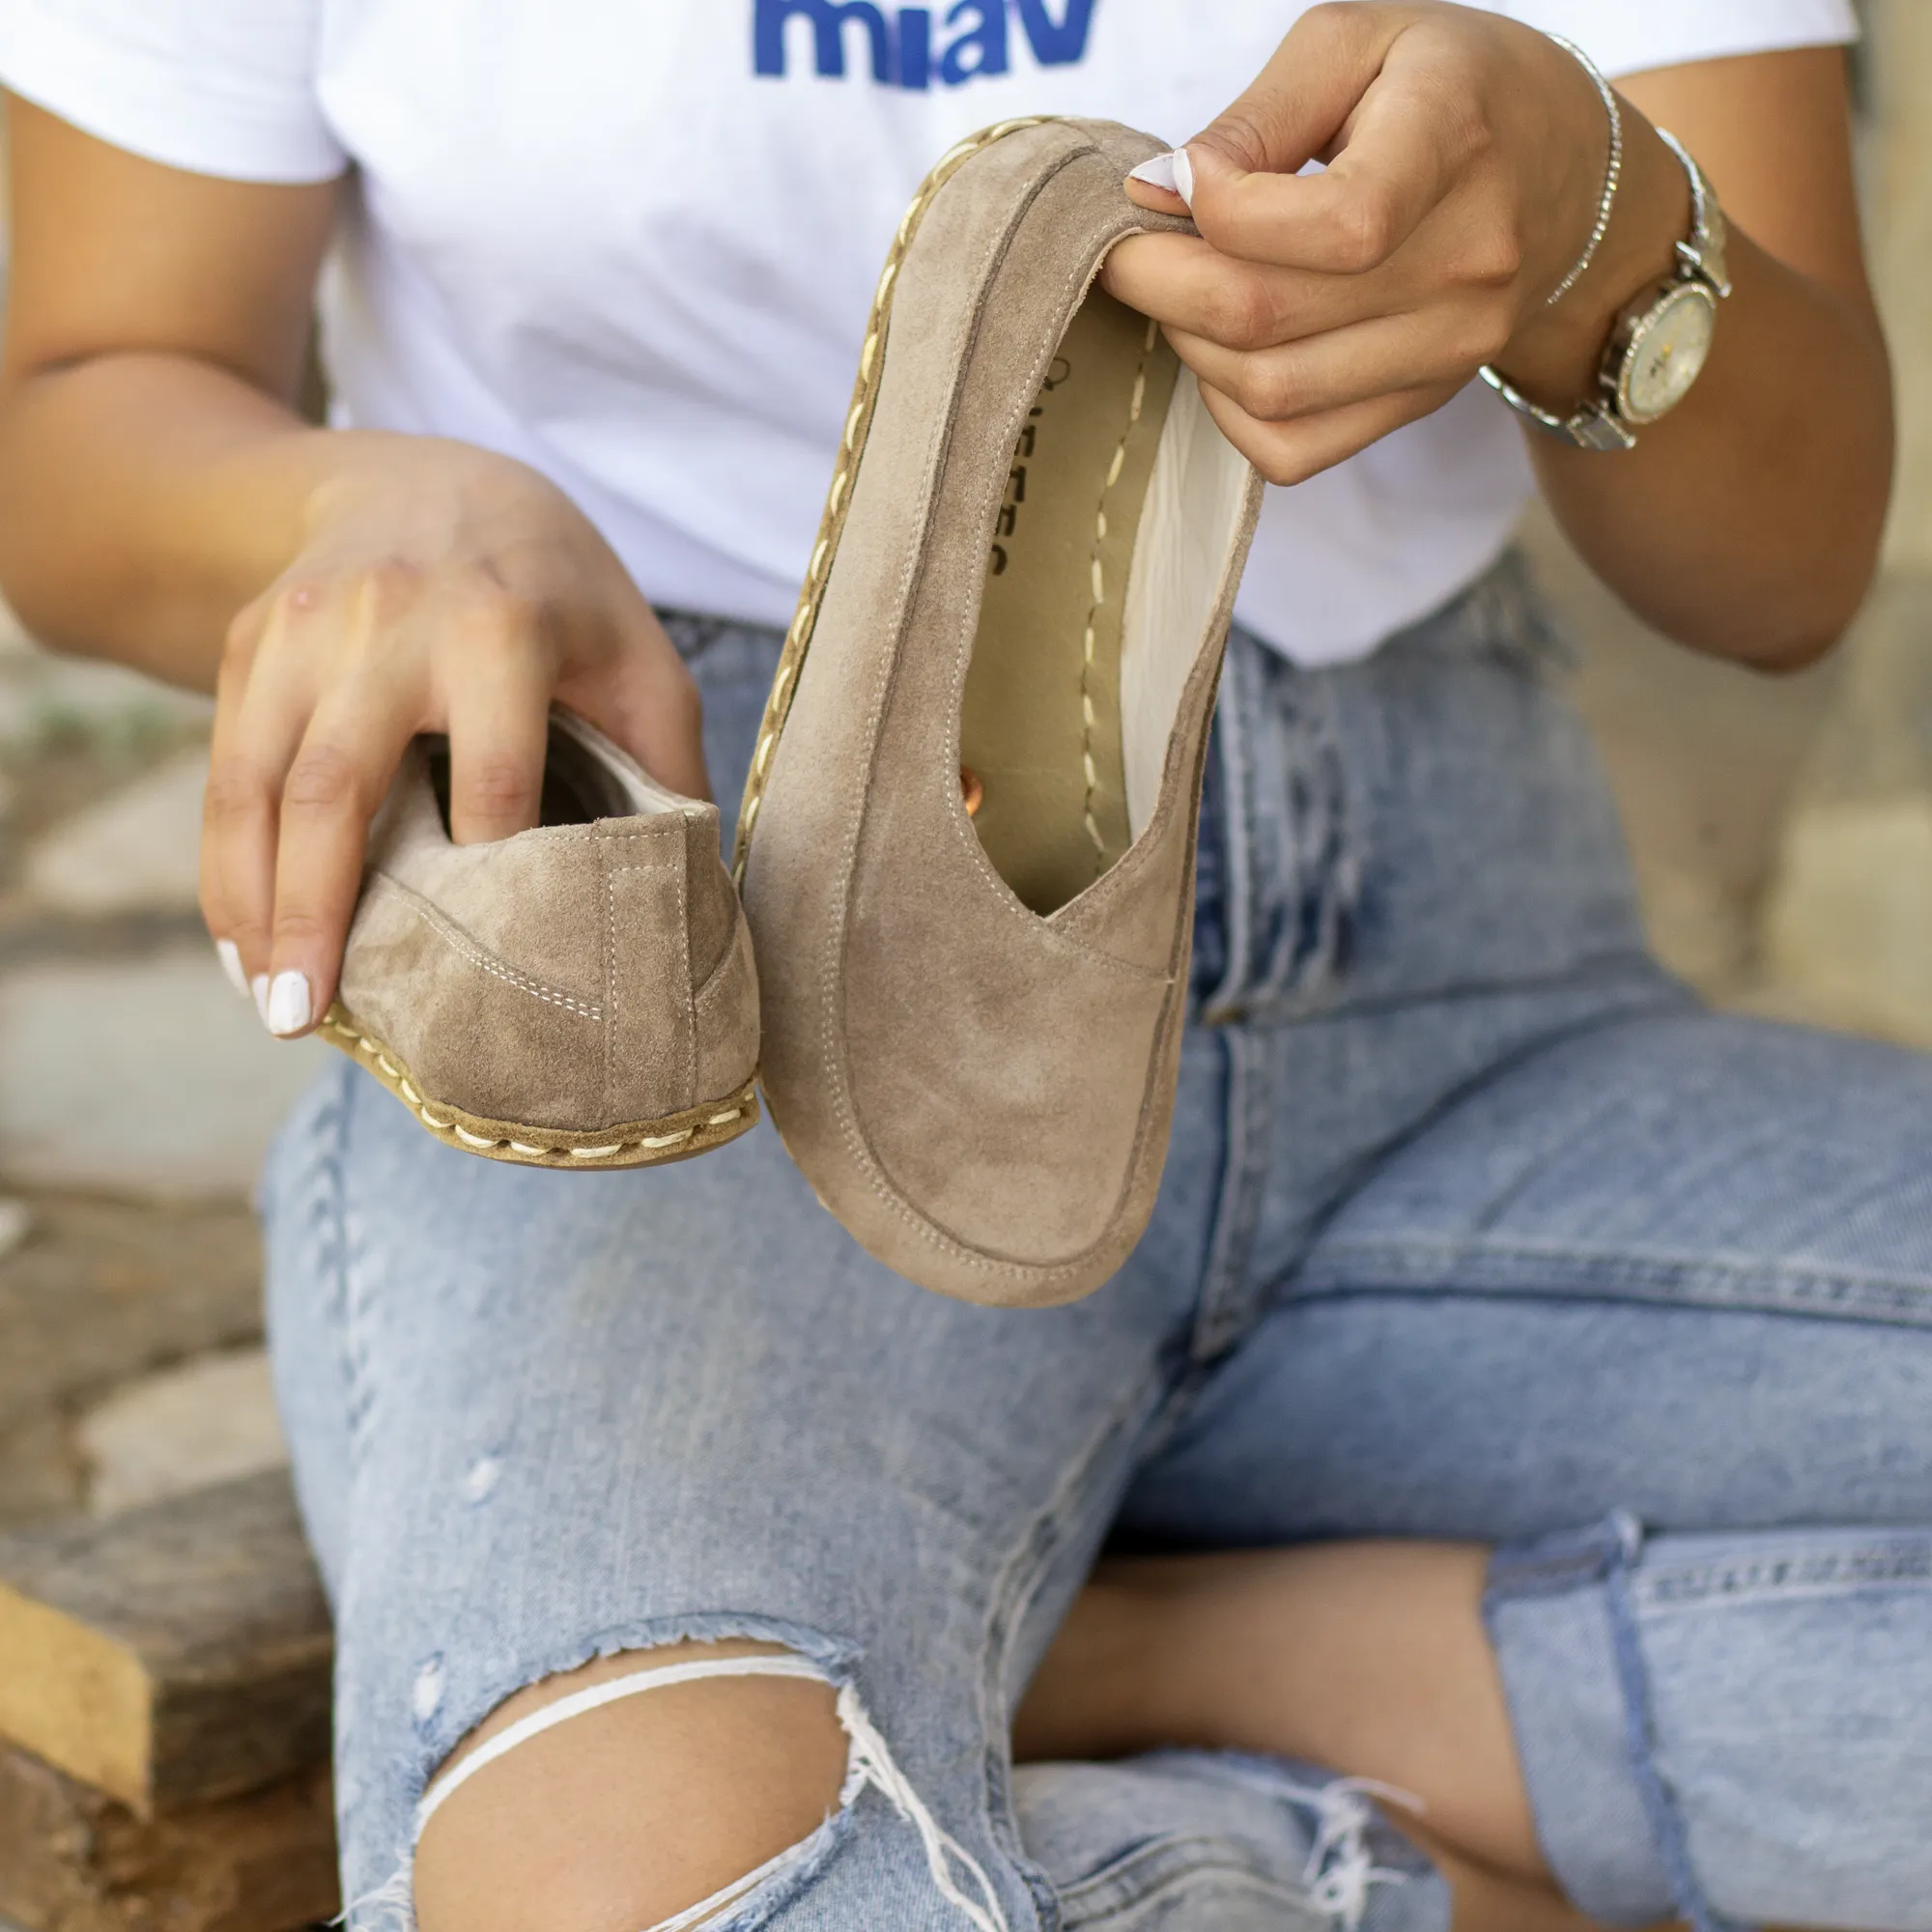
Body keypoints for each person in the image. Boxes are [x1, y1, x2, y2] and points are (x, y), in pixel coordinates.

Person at [0, 1, 1916, 1927]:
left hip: (1459, 998)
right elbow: (94, 382)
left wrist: (1591, 218)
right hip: (705, 1022)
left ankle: (1190, 1676)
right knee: (642, 1885)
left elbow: (1785, 568)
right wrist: (359, 511)